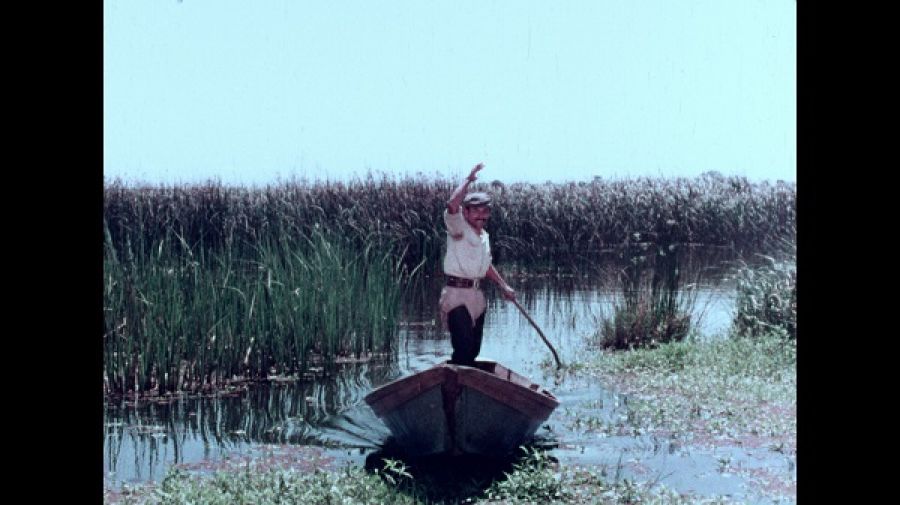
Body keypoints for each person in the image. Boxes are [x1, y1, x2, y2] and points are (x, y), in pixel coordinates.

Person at [439, 162, 516, 366]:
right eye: (476, 211)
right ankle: (453, 383)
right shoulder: (458, 228)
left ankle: (462, 379)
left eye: (485, 211)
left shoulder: (484, 236)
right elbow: (451, 205)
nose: (481, 215)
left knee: (473, 350)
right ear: (465, 212)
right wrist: (469, 179)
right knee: (463, 349)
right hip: (456, 296)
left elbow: (486, 266)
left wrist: (504, 286)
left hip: (476, 296)